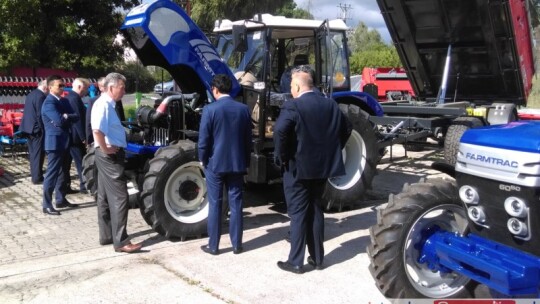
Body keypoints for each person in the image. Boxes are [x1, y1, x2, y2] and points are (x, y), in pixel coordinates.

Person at [273, 66, 351, 274]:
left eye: (291, 85)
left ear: (297, 85)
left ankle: (295, 261)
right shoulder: (331, 105)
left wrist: (282, 156)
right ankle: (317, 258)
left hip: (297, 168)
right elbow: (347, 128)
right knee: (316, 210)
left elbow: (280, 130)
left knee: (298, 213)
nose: (291, 89)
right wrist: (333, 150)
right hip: (322, 168)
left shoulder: (294, 106)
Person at [198, 74, 252, 255]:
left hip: (215, 163)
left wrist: (202, 158)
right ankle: (237, 245)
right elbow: (248, 140)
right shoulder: (243, 109)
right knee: (236, 203)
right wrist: (246, 160)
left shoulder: (210, 109)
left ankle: (213, 246)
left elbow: (204, 140)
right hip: (237, 163)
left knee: (215, 203)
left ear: (215, 89)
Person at [91, 72, 142, 253]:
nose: (124, 91)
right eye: (122, 87)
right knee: (120, 197)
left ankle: (107, 235)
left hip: (107, 154)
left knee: (104, 196)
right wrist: (105, 148)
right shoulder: (104, 105)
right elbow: (97, 130)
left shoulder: (107, 104)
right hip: (110, 156)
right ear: (111, 87)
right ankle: (121, 241)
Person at [41, 75, 80, 215]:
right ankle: (46, 204)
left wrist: (66, 116)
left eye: (63, 85)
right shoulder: (49, 103)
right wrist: (65, 117)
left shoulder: (63, 100)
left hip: (65, 140)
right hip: (55, 143)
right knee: (52, 173)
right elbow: (59, 121)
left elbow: (76, 116)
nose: (63, 88)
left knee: (63, 172)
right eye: (60, 86)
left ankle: (60, 199)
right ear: (50, 87)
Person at [20, 79, 48, 184]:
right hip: (36, 129)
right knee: (38, 154)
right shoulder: (41, 96)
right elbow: (40, 115)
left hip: (28, 128)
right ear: (45, 87)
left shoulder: (31, 94)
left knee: (33, 153)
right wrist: (43, 128)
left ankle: (35, 174)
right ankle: (37, 177)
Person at [64, 77, 89, 193]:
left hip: (71, 137)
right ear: (80, 87)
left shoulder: (71, 97)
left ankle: (66, 185)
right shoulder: (74, 99)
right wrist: (83, 137)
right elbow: (77, 120)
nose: (86, 92)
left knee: (67, 163)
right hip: (75, 137)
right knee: (81, 162)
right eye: (86, 89)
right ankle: (84, 185)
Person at [85, 77, 105, 145]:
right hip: (101, 140)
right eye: (106, 85)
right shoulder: (93, 101)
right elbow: (89, 121)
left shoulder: (116, 100)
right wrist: (89, 141)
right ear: (100, 87)